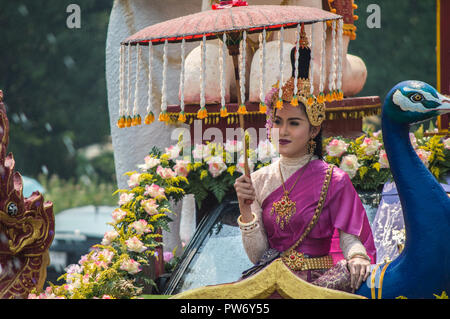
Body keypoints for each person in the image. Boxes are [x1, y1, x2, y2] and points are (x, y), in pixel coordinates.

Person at [233, 30, 376, 293]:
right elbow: (258, 256)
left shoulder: (334, 179)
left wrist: (356, 257)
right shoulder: (259, 179)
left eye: (294, 123)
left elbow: (350, 239)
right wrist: (245, 209)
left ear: (313, 130)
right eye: (277, 122)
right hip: (271, 282)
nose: (283, 131)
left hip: (316, 286)